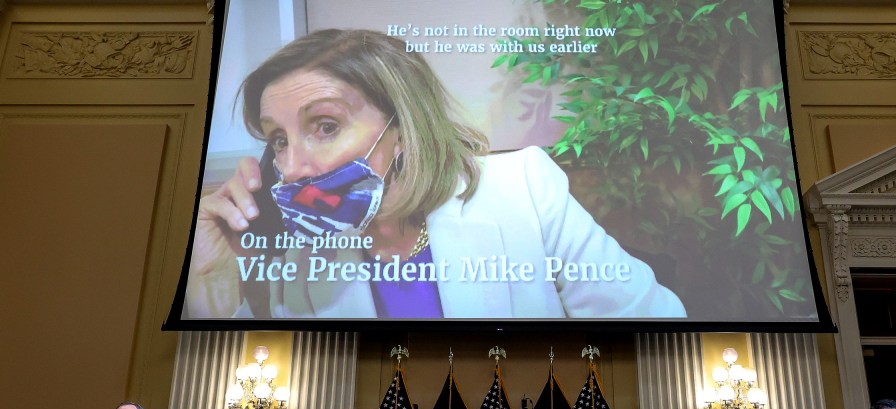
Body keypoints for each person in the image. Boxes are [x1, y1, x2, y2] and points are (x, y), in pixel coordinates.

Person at [186, 28, 686, 320]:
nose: (291, 167)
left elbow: (655, 324)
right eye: (278, 139)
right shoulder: (303, 250)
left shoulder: (525, 189)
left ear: (402, 128)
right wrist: (211, 287)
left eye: (325, 125)